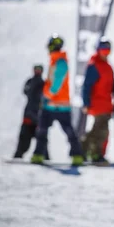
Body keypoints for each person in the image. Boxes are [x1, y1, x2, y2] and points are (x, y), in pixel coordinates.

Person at [31, 35, 84, 166]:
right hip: (50, 105)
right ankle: (38, 154)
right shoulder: (55, 61)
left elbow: (56, 83)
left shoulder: (60, 62)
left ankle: (77, 155)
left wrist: (47, 95)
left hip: (59, 105)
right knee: (42, 129)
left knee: (68, 131)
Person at [81, 37, 114, 164]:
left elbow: (112, 85)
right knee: (100, 130)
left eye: (107, 49)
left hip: (106, 103)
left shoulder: (108, 66)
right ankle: (83, 150)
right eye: (103, 49)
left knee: (102, 130)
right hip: (97, 103)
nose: (105, 52)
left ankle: (95, 153)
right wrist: (86, 102)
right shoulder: (94, 66)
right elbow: (87, 85)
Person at [13, 65, 45, 159]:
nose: (37, 71)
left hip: (38, 113)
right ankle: (19, 154)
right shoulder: (30, 81)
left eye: (39, 70)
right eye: (36, 69)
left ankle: (44, 155)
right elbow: (25, 91)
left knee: (41, 135)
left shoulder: (43, 83)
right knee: (24, 134)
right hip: (29, 112)